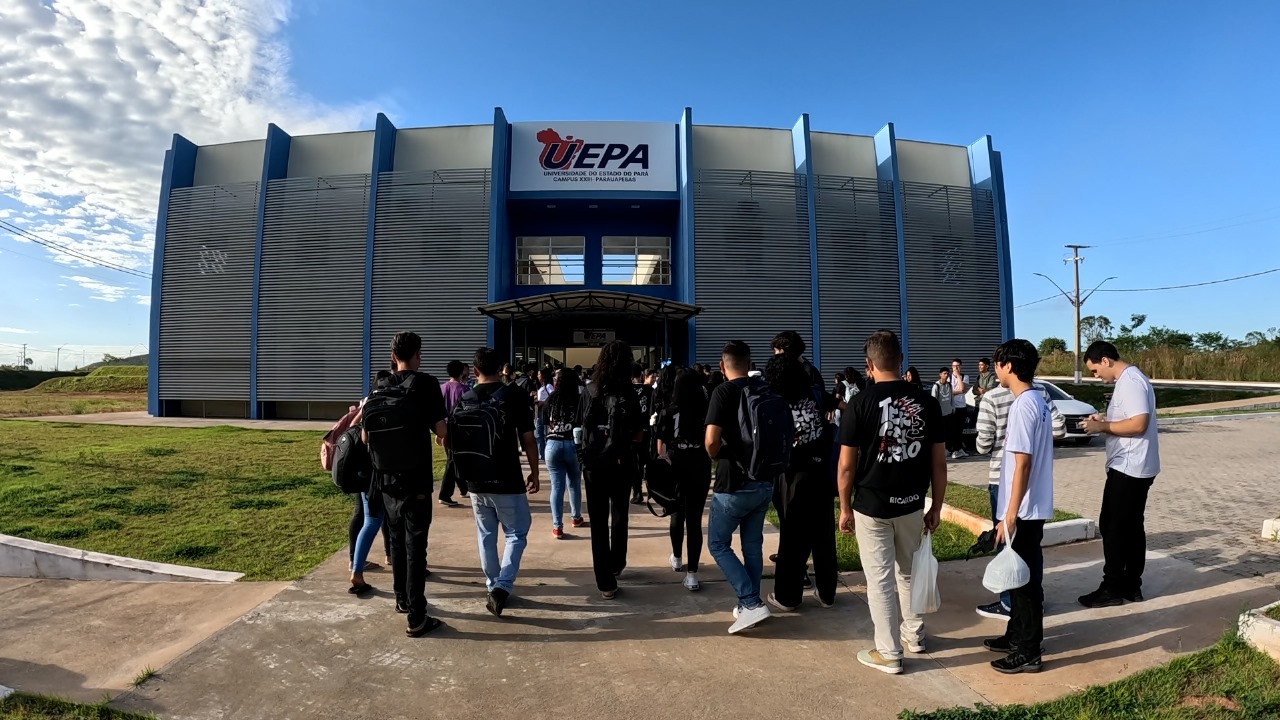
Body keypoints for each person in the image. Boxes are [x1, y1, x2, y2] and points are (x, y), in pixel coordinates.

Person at [838, 330, 945, 675]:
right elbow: (939, 463)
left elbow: (846, 465)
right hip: (912, 503)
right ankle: (914, 636)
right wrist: (937, 507)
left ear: (869, 365)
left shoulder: (859, 404)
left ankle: (889, 652)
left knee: (880, 579)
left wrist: (843, 506)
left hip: (871, 505)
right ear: (900, 360)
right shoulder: (927, 402)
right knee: (909, 573)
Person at [359, 332, 449, 637]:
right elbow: (441, 430)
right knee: (416, 546)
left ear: (392, 356)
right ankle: (417, 616)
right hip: (417, 477)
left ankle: (401, 600)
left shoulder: (379, 385)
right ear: (417, 354)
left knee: (396, 541)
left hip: (385, 477)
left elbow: (364, 436)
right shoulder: (426, 383)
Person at [705, 340, 790, 634]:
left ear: (722, 364)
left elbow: (711, 441)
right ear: (750, 363)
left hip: (733, 483)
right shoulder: (764, 389)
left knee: (717, 544)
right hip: (764, 479)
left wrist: (716, 455)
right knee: (752, 546)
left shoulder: (723, 392)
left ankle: (750, 602)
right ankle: (747, 604)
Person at [453, 347, 540, 617]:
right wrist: (535, 472)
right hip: (507, 479)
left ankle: (492, 585)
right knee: (517, 533)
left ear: (475, 371)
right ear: (501, 369)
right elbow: (528, 439)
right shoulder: (514, 394)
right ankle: (502, 586)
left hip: (476, 481)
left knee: (486, 535)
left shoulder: (464, 398)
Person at [984, 339, 1054, 674]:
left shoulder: (1024, 404)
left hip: (1023, 509)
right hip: (1029, 506)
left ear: (1009, 366)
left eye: (997, 363)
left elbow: (1023, 463)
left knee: (1024, 585)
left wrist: (1009, 514)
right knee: (1021, 578)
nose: (995, 369)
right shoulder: (1036, 400)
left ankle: (1028, 650)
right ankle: (1016, 634)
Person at [973, 382, 1065, 620]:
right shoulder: (1041, 394)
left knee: (1008, 543)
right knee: (1031, 549)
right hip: (1033, 483)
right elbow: (1059, 428)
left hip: (1004, 478)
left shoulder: (993, 398)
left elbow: (982, 445)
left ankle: (1009, 603)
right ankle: (1033, 603)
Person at [1080, 341, 1161, 607]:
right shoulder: (1130, 381)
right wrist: (1103, 419)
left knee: (1113, 526)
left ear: (1105, 360)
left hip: (1129, 466)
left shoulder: (1131, 381)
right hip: (1134, 465)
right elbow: (1130, 417)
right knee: (1130, 526)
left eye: (1094, 370)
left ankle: (1113, 587)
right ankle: (1130, 586)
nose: (1096, 376)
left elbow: (1138, 423)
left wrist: (1101, 427)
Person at [765, 354, 839, 612]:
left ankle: (788, 596)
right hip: (820, 470)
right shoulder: (816, 393)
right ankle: (828, 593)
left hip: (791, 475)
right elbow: (840, 406)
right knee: (824, 534)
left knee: (792, 536)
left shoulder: (775, 402)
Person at [579, 340, 644, 599]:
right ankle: (617, 563)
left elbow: (577, 427)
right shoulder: (628, 391)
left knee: (597, 521)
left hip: (593, 464)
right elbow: (639, 435)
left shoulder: (589, 390)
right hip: (621, 462)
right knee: (619, 515)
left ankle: (604, 582)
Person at [655, 367, 712, 591]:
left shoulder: (668, 411)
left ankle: (677, 558)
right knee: (695, 520)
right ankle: (692, 574)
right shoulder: (705, 411)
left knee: (676, 513)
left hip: (675, 463)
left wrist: (665, 463)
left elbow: (661, 446)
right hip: (699, 464)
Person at [543, 368, 587, 538]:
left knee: (556, 486)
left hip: (552, 444)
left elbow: (544, 421)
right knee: (574, 483)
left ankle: (557, 526)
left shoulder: (552, 399)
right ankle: (575, 517)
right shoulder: (579, 399)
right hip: (573, 444)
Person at [437, 360, 469, 507]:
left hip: (444, 427)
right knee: (453, 460)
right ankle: (445, 493)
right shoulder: (465, 389)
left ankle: (463, 488)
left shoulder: (442, 388)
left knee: (455, 459)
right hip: (459, 428)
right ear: (462, 372)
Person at [631, 363, 654, 505]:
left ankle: (637, 491)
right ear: (642, 375)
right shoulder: (649, 390)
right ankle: (652, 490)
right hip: (648, 430)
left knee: (635, 464)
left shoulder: (626, 391)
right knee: (648, 461)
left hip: (632, 432)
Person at [931, 368, 957, 456]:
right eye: (945, 373)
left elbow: (951, 397)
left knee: (949, 432)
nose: (946, 375)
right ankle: (942, 450)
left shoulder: (949, 385)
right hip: (940, 414)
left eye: (947, 374)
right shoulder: (936, 386)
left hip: (949, 412)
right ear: (940, 374)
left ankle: (948, 449)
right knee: (942, 433)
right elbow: (933, 401)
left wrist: (953, 407)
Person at [949, 359, 970, 458]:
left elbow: (963, 389)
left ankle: (959, 449)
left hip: (962, 406)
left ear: (961, 367)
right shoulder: (948, 377)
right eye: (954, 366)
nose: (956, 368)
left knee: (960, 429)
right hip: (952, 407)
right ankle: (955, 450)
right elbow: (949, 392)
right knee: (953, 429)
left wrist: (958, 376)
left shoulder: (965, 376)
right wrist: (958, 391)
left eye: (957, 366)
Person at [534, 367, 555, 462]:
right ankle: (541, 454)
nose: (538, 376)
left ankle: (544, 454)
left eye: (539, 374)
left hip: (544, 412)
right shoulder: (542, 386)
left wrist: (543, 402)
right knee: (538, 434)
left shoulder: (549, 386)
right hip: (539, 412)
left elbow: (553, 396)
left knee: (543, 433)